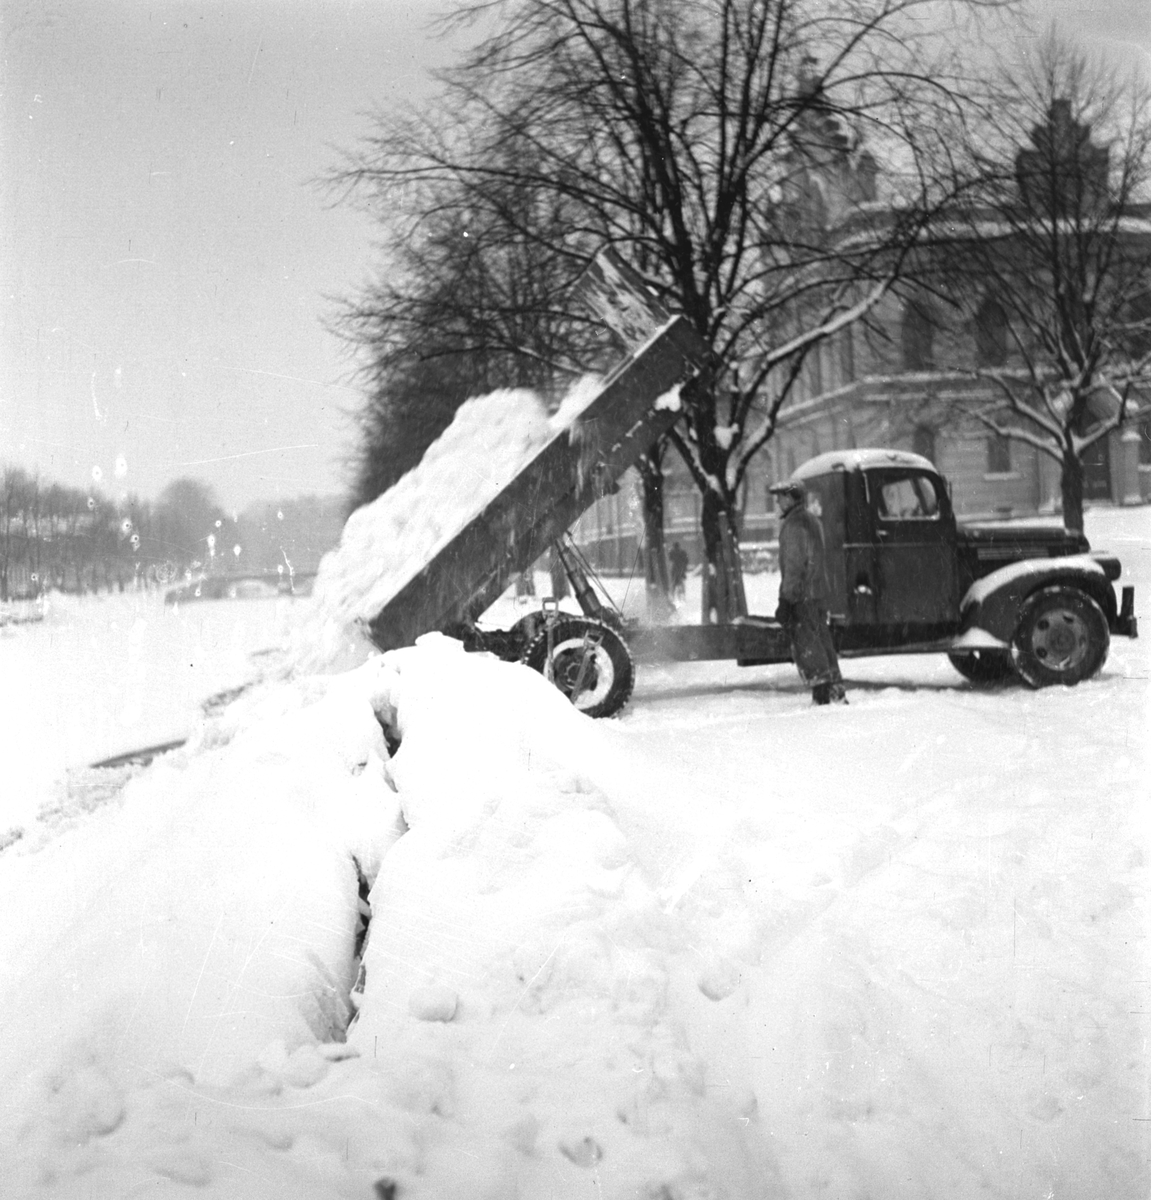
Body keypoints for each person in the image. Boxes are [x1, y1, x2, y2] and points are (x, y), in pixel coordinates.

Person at [769, 480, 847, 705]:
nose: (777, 501)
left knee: (809, 644)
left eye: (781, 496)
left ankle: (822, 695)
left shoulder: (794, 525)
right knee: (823, 641)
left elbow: (794, 566)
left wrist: (785, 600)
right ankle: (836, 691)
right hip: (818, 593)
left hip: (802, 596)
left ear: (791, 498)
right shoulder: (813, 520)